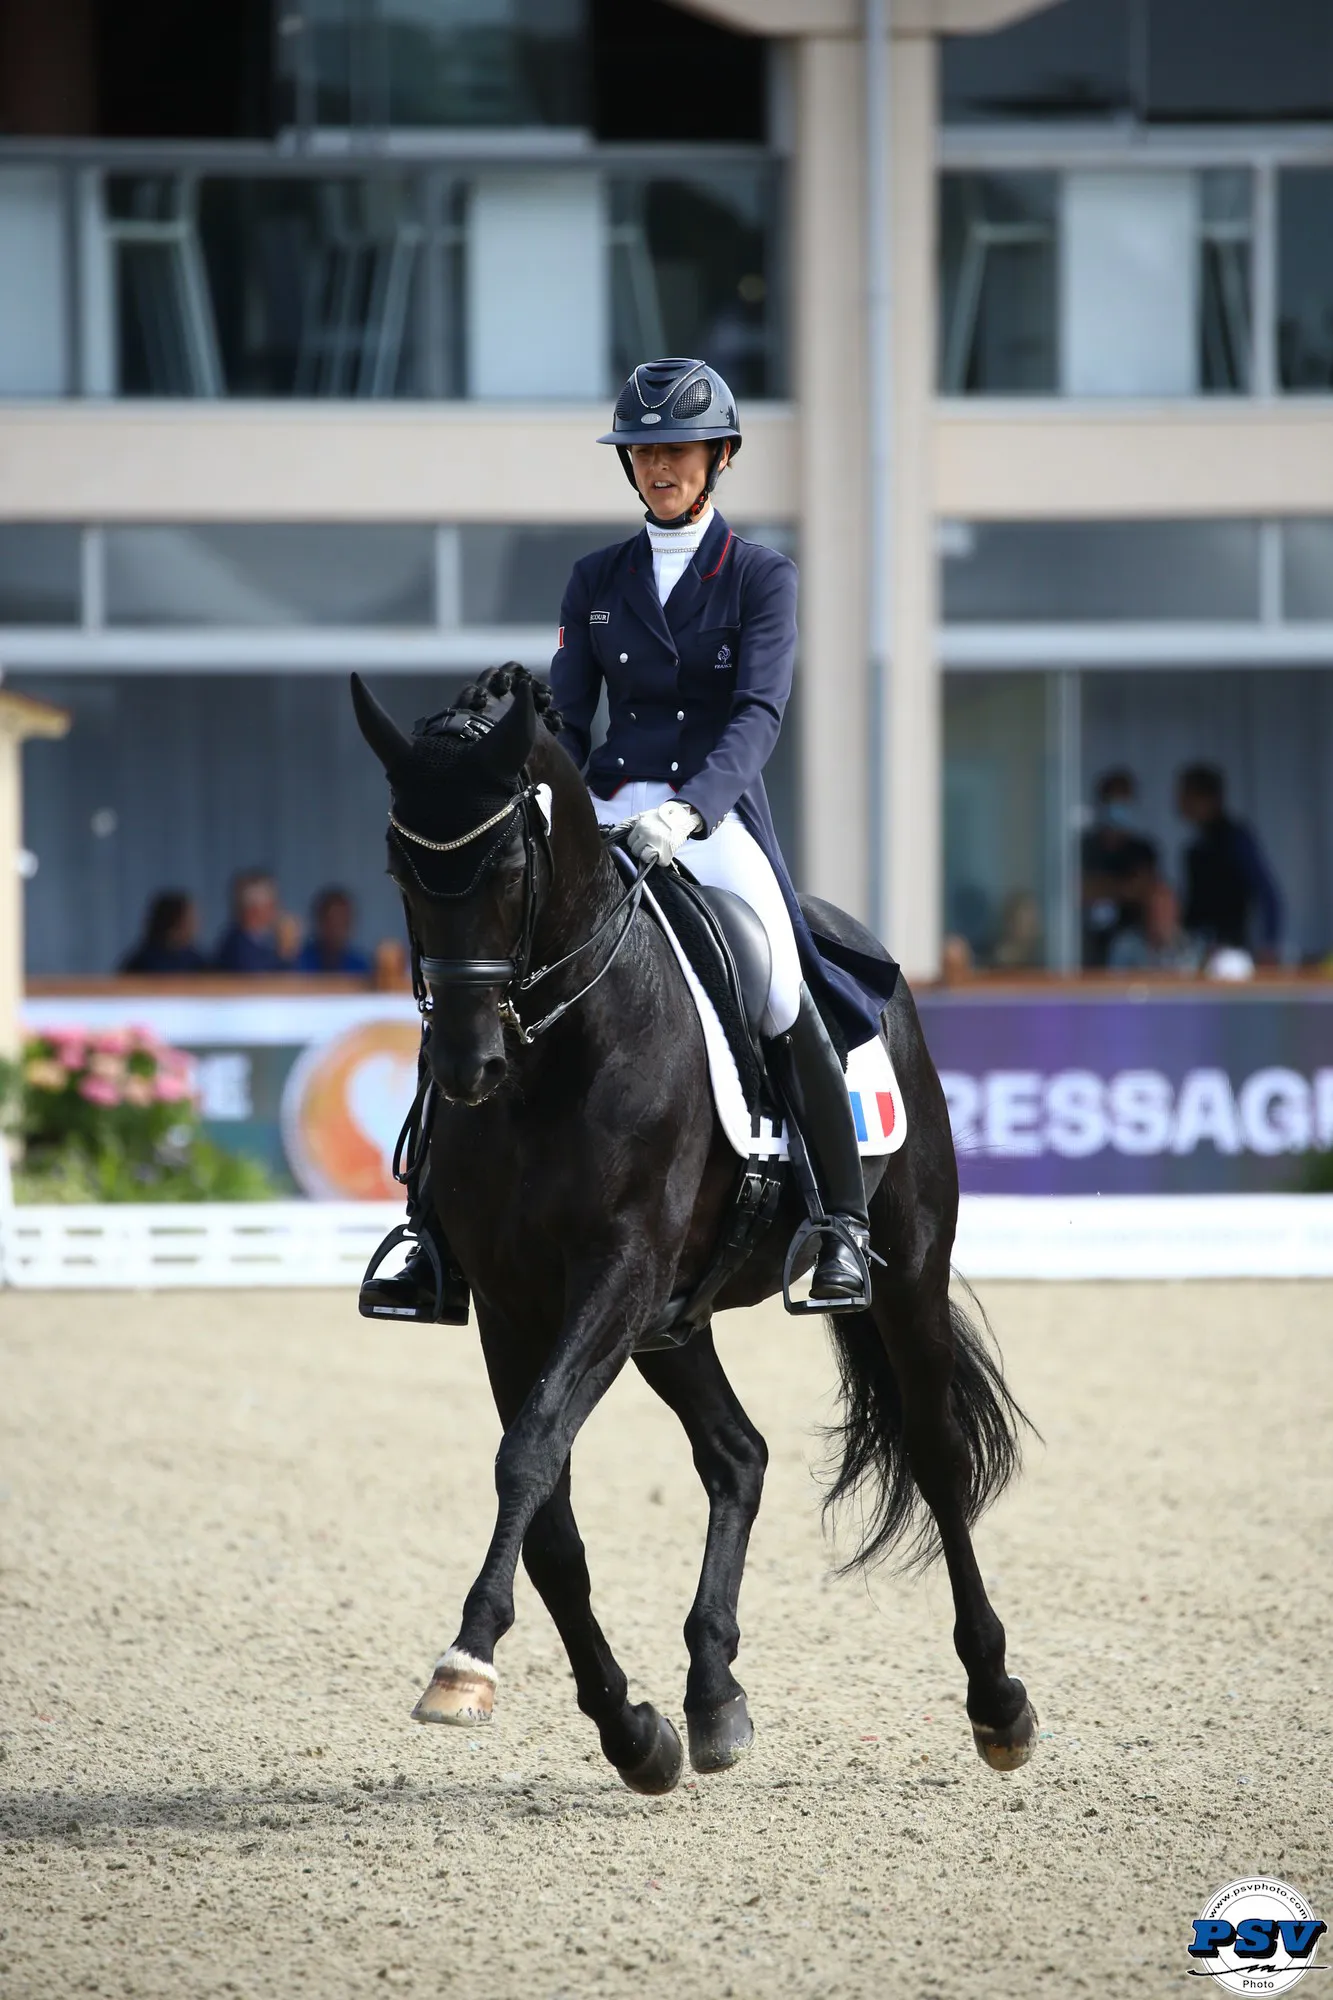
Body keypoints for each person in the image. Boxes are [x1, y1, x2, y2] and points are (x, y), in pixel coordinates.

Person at [361, 356, 898, 1325]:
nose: (659, 466)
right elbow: (567, 718)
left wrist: (690, 808)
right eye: (644, 451)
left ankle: (840, 1222)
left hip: (714, 817)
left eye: (678, 450)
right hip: (602, 812)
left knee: (777, 980)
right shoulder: (594, 580)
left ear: (718, 456)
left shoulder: (762, 577)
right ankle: (428, 1231)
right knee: (479, 975)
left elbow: (759, 714)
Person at [1176, 763, 1283, 964]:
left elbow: (1268, 895)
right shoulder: (1195, 846)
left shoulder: (1234, 838)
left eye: (1187, 795)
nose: (1181, 802)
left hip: (1230, 949)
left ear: (1207, 798)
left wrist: (1269, 944)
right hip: (1198, 947)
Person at [1080, 769, 1158, 968]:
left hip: (1132, 947)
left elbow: (1143, 890)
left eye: (1125, 802)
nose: (1120, 809)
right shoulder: (1084, 847)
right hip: (1085, 945)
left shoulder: (1142, 850)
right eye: (1114, 802)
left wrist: (1100, 887)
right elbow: (1075, 890)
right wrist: (1123, 888)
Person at [1106, 876, 1203, 975]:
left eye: (1166, 909)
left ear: (1177, 912)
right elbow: (1114, 983)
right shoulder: (1125, 946)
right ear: (1145, 913)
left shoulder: (1192, 946)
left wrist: (1168, 943)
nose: (1160, 915)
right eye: (1155, 908)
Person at [213, 870, 297, 973]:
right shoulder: (238, 947)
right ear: (253, 910)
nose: (277, 910)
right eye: (271, 905)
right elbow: (266, 983)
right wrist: (285, 952)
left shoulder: (262, 942)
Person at [119, 890, 207, 974]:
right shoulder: (143, 962)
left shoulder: (196, 961)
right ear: (174, 921)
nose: (196, 924)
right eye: (190, 919)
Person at [295, 887, 372, 975]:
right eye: (333, 922)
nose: (338, 931)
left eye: (343, 922)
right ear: (320, 922)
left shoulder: (360, 967)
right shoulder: (300, 963)